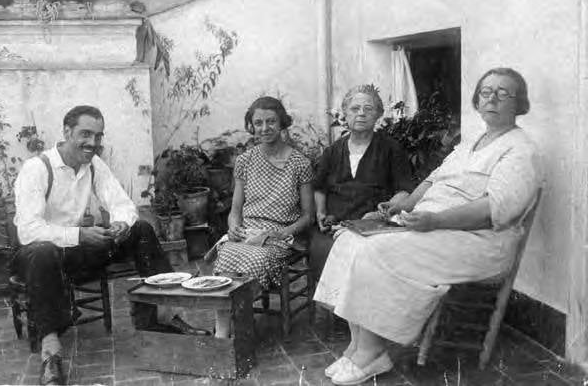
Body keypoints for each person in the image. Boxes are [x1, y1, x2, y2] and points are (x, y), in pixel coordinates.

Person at [314, 68, 542, 385]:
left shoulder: (521, 150)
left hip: (478, 239)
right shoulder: (471, 142)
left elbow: (493, 210)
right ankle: (358, 348)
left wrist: (435, 220)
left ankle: (371, 353)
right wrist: (404, 205)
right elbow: (434, 179)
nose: (492, 98)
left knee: (376, 249)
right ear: (477, 100)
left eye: (504, 93)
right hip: (436, 226)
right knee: (350, 240)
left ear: (520, 103)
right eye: (486, 91)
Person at [12, 105, 175, 385]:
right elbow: (29, 231)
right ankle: (50, 355)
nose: (92, 143)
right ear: (66, 132)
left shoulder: (93, 165)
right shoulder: (37, 168)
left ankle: (157, 316)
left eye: (98, 136)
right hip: (35, 257)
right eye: (85, 134)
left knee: (142, 229)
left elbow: (122, 203)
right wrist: (80, 235)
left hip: (73, 254)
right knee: (43, 251)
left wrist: (122, 223)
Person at [212, 96, 314, 337]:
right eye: (258, 123)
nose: (264, 128)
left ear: (282, 124)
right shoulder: (245, 161)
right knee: (225, 256)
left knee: (256, 260)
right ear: (251, 125)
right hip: (247, 232)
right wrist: (234, 226)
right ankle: (223, 332)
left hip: (281, 236)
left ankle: (241, 329)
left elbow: (308, 216)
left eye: (271, 121)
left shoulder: (300, 163)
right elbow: (235, 210)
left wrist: (283, 232)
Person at [311, 84, 415, 280]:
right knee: (325, 257)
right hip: (334, 225)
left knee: (366, 266)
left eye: (368, 109)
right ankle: (329, 308)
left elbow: (405, 191)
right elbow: (319, 188)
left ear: (378, 115)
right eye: (355, 109)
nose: (361, 114)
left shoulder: (392, 149)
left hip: (373, 227)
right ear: (345, 114)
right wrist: (321, 213)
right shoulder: (332, 151)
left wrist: (382, 213)